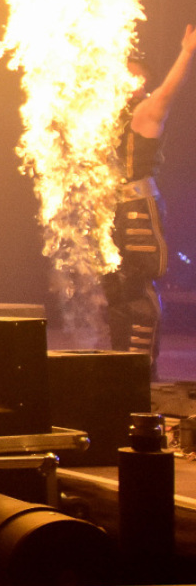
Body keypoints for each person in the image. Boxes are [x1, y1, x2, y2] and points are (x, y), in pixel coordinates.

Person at [106, 26, 196, 365]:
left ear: (143, 82)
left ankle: (140, 366)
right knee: (116, 289)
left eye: (135, 75)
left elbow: (168, 92)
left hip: (138, 209)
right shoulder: (105, 118)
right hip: (112, 210)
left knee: (136, 286)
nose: (128, 80)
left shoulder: (146, 111)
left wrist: (186, 52)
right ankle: (120, 364)